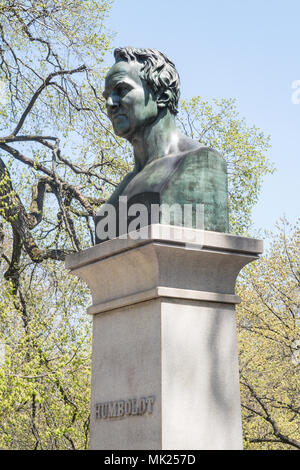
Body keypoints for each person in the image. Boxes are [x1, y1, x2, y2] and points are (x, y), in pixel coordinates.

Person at [95, 47, 228, 243]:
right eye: (107, 95)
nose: (110, 103)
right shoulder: (126, 185)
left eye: (122, 90)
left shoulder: (202, 162)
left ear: (162, 95)